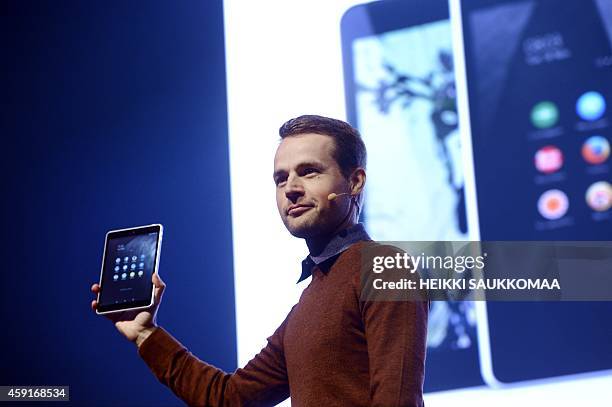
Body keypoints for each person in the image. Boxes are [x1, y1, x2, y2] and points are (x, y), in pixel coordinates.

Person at [91, 115, 428, 406]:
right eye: (281, 178)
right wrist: (145, 333)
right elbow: (229, 397)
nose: (291, 188)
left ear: (354, 182)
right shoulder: (312, 298)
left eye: (309, 172)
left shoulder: (384, 267)